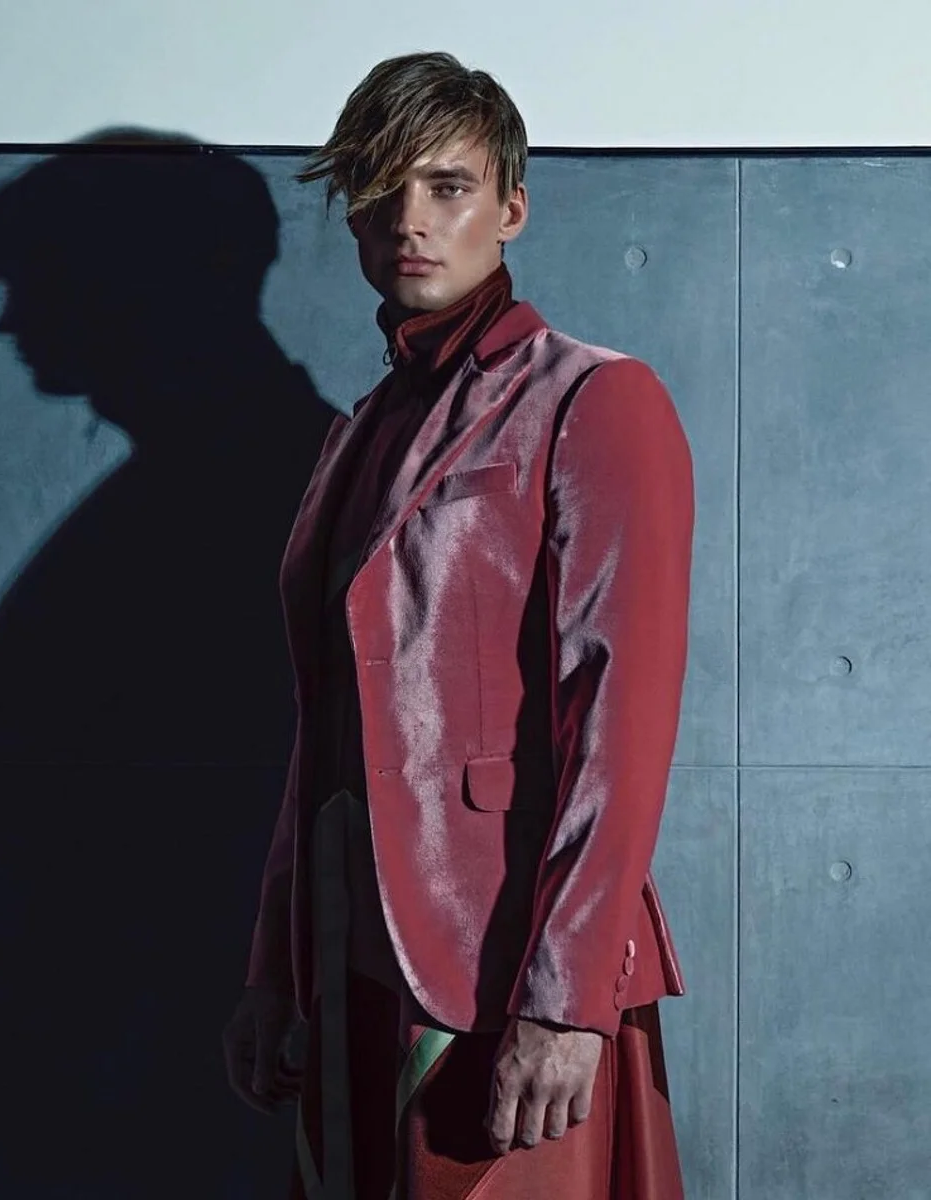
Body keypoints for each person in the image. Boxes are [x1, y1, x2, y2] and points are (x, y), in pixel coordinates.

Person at [223, 51, 695, 1200]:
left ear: (511, 208)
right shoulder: (354, 432)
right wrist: (275, 971)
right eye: (381, 191)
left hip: (506, 965)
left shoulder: (592, 396)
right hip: (348, 963)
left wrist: (566, 1002)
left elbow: (620, 722)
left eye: (447, 187)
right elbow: (325, 723)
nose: (411, 221)